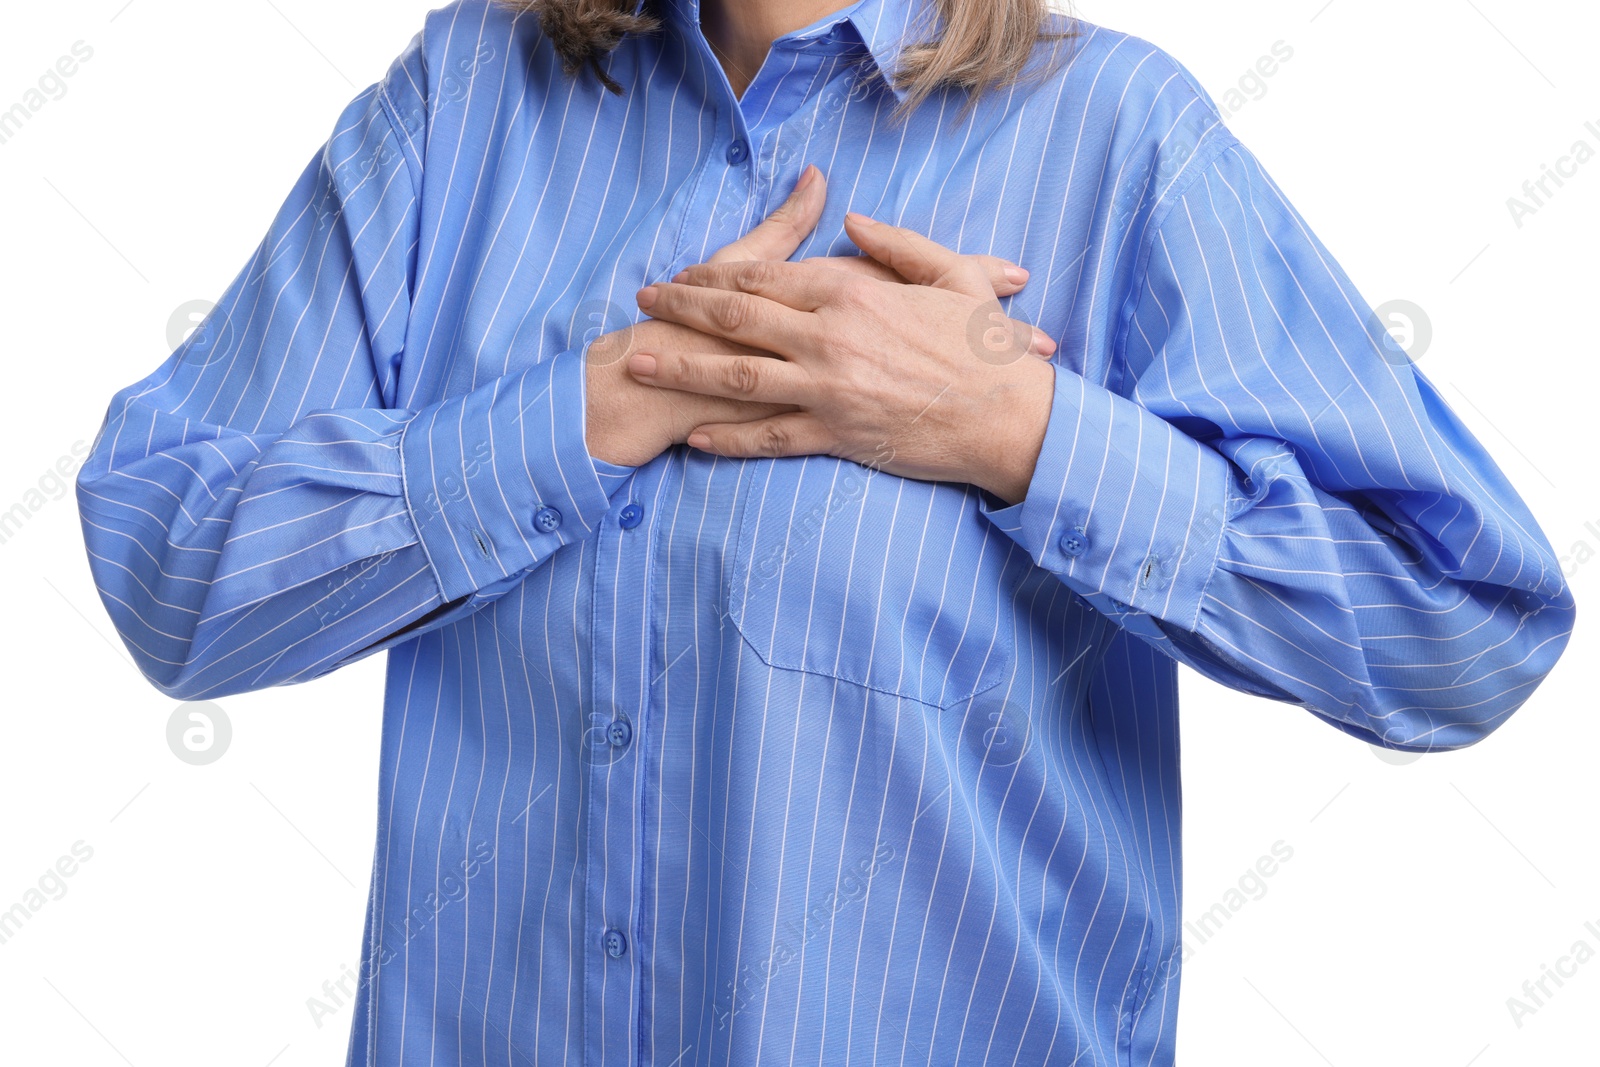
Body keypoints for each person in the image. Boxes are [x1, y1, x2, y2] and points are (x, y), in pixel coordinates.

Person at [74, 0, 1574, 1062]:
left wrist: (1019, 434)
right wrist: (591, 405)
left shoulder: (1117, 136)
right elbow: (174, 565)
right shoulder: (458, 105)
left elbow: (1458, 629)